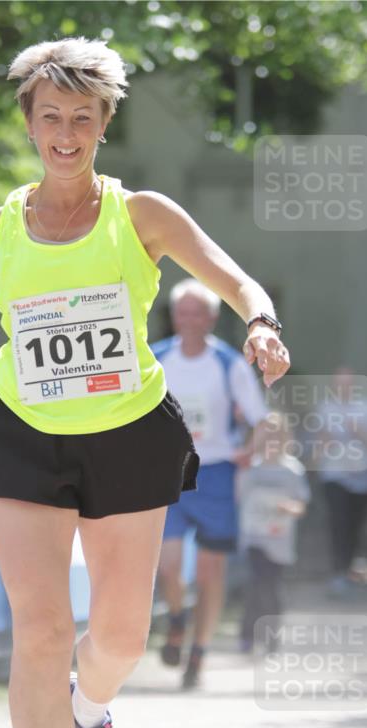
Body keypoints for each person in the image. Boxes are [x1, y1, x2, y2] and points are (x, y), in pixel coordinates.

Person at [0, 36, 289, 728]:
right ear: (31, 125)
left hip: (126, 432)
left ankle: (92, 709)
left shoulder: (139, 214)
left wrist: (260, 322)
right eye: (51, 118)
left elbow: (234, 279)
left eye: (82, 117)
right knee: (40, 629)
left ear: (103, 124)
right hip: (24, 436)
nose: (66, 133)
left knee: (118, 637)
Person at [151, 279, 268, 689]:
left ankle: (198, 652)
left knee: (210, 572)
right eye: (181, 312)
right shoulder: (155, 357)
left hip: (215, 471)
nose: (188, 320)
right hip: (168, 471)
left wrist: (248, 449)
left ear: (212, 318)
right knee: (167, 566)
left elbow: (260, 419)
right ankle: (178, 620)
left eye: (196, 313)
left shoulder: (228, 363)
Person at [237, 412, 310, 653]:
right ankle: (248, 635)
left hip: (279, 539)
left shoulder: (292, 470)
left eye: (275, 435)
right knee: (256, 583)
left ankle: (271, 636)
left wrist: (288, 507)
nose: (271, 441)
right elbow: (239, 496)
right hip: (254, 537)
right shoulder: (251, 468)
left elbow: (300, 505)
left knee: (272, 587)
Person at [316, 366, 367, 597]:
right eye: (339, 384)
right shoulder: (325, 409)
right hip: (335, 475)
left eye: (348, 384)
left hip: (364, 479)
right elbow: (317, 445)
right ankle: (339, 573)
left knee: (356, 526)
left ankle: (349, 570)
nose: (343, 388)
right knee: (339, 522)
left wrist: (359, 431)